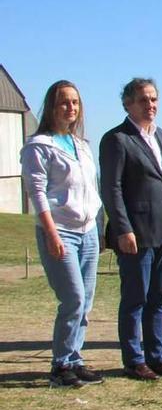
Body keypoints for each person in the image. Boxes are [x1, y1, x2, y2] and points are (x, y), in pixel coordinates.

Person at [99, 78, 162, 381]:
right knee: (135, 298)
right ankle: (134, 360)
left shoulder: (161, 136)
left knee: (158, 298)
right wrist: (123, 229)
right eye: (142, 100)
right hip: (135, 234)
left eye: (153, 99)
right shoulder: (117, 139)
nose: (150, 105)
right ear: (127, 104)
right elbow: (112, 188)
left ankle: (157, 356)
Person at [20, 80, 104, 388]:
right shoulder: (39, 146)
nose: (71, 108)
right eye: (64, 102)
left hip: (89, 231)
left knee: (87, 301)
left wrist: (100, 225)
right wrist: (52, 233)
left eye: (75, 103)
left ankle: (74, 358)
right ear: (52, 107)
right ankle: (60, 365)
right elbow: (37, 193)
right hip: (61, 231)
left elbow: (92, 189)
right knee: (73, 298)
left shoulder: (81, 145)